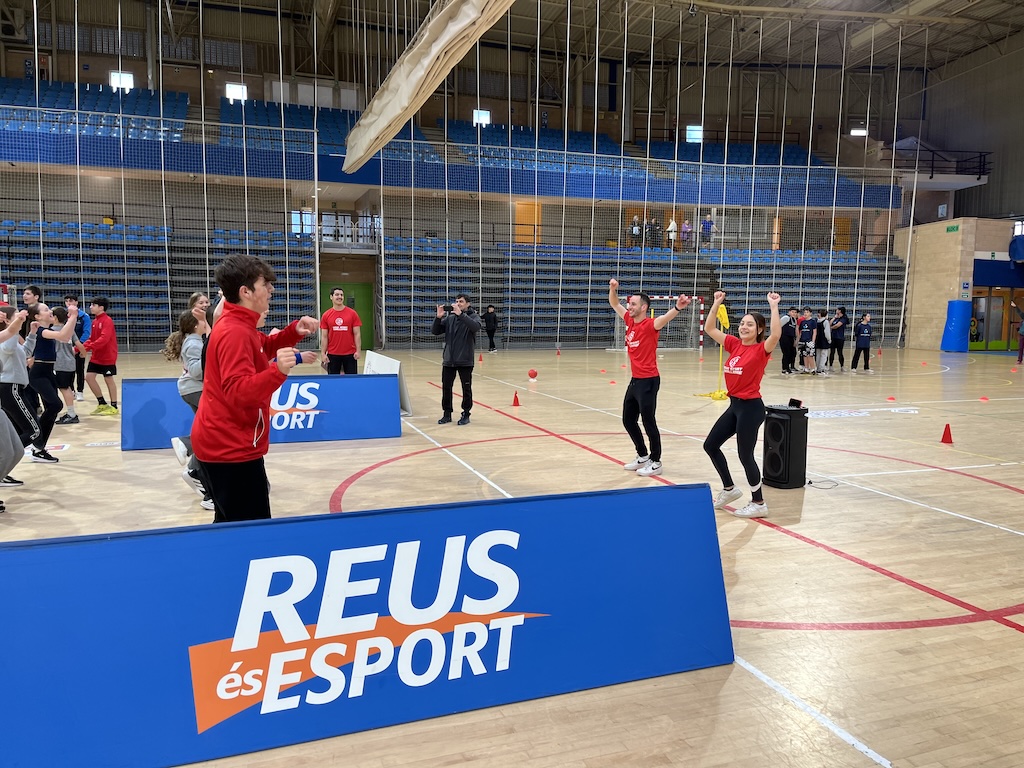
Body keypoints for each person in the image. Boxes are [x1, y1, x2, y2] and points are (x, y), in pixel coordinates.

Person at [190, 254, 319, 523]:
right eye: (265, 284)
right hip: (230, 449)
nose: (271, 290)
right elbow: (238, 392)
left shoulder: (239, 324)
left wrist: (294, 331)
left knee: (232, 524)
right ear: (245, 292)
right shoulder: (234, 331)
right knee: (251, 529)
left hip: (228, 444)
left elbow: (262, 346)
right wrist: (277, 371)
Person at [703, 290, 782, 519]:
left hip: (751, 408)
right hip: (735, 406)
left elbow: (776, 334)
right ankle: (729, 489)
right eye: (742, 323)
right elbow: (710, 328)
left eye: (749, 325)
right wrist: (716, 303)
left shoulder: (761, 349)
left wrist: (774, 306)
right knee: (711, 445)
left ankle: (758, 503)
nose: (743, 327)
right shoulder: (734, 344)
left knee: (745, 455)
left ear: (759, 329)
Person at [609, 279, 692, 478]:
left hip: (649, 380)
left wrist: (677, 308)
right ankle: (643, 455)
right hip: (635, 380)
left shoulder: (650, 325)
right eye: (629, 303)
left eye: (633, 304)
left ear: (643, 307)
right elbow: (614, 303)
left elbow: (664, 319)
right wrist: (613, 289)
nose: (629, 306)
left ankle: (656, 461)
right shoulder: (630, 321)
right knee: (628, 420)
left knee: (648, 422)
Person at [163, 308, 214, 511]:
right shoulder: (193, 343)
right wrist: (211, 355)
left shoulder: (195, 341)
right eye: (202, 320)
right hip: (195, 390)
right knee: (214, 429)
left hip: (194, 389)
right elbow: (196, 370)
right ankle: (186, 444)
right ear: (195, 325)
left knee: (210, 433)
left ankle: (194, 470)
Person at [24, 303, 77, 463]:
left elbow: (66, 335)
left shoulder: (49, 330)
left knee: (52, 410)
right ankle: (34, 436)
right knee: (55, 405)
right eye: (46, 310)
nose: (50, 311)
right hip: (38, 374)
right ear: (37, 317)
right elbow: (63, 337)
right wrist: (73, 316)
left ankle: (39, 449)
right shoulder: (41, 331)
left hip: (48, 372)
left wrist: (72, 318)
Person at [433, 294, 480, 425]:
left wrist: (461, 315)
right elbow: (435, 331)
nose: (458, 303)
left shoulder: (473, 317)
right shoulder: (450, 318)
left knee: (466, 389)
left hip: (465, 360)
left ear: (468, 304)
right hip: (449, 360)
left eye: (461, 301)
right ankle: (447, 413)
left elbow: (475, 327)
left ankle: (466, 413)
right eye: (457, 301)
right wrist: (438, 318)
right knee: (446, 388)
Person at [0, 306, 34, 485]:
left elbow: (24, 350)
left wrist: (30, 332)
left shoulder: (9, 337)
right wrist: (18, 320)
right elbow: (9, 338)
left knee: (17, 451)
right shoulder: (7, 342)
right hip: (9, 386)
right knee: (33, 431)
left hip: (12, 390)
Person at [84, 297, 119, 414]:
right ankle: (102, 403)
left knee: (108, 379)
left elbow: (104, 339)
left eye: (93, 305)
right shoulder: (95, 322)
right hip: (96, 356)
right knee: (89, 377)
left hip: (107, 356)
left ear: (101, 307)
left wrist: (88, 347)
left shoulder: (107, 320)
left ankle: (114, 406)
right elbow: (92, 338)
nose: (90, 307)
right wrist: (79, 348)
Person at [51, 306, 86, 424]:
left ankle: (71, 414)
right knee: (68, 388)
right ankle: (70, 412)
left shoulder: (51, 331)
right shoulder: (70, 330)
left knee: (64, 389)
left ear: (55, 318)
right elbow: (79, 344)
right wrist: (83, 354)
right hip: (71, 363)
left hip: (59, 364)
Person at [319, 287, 362, 374]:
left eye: (341, 295)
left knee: (351, 380)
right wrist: (323, 353)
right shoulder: (326, 315)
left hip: (350, 354)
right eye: (337, 295)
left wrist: (358, 350)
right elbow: (324, 336)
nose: (340, 297)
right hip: (333, 354)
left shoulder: (352, 313)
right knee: (333, 380)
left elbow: (357, 334)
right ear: (331, 297)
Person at [64, 294, 91, 401]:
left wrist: (78, 346)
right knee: (68, 370)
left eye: (71, 301)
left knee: (79, 369)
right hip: (66, 347)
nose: (68, 303)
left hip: (79, 347)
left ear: (76, 302)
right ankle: (72, 390)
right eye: (66, 301)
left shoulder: (84, 316)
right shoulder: (63, 316)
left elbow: (87, 332)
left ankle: (80, 391)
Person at [778, 306, 798, 375]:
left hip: (791, 338)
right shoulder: (786, 318)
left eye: (795, 312)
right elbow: (778, 326)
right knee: (786, 353)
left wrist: (795, 339)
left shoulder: (794, 320)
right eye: (792, 312)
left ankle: (789, 367)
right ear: (789, 312)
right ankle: (784, 369)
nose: (794, 313)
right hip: (784, 337)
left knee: (792, 353)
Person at [829, 306, 849, 373]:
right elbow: (830, 323)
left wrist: (830, 328)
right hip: (833, 337)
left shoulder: (844, 318)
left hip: (840, 338)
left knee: (840, 352)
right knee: (832, 352)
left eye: (837, 310)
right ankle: (831, 366)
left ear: (840, 311)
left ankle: (842, 366)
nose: (836, 310)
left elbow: (837, 325)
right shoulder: (836, 318)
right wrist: (834, 317)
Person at [798, 306, 817, 374]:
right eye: (804, 312)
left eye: (807, 312)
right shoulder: (802, 322)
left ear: (810, 313)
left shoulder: (813, 321)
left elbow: (814, 332)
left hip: (809, 340)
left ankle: (813, 368)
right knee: (804, 355)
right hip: (803, 340)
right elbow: (800, 332)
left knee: (810, 355)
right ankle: (806, 368)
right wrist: (799, 340)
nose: (805, 313)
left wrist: (813, 341)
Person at [815, 309, 831, 374]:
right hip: (824, 340)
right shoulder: (826, 321)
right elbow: (827, 332)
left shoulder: (817, 321)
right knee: (824, 355)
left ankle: (818, 368)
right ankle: (821, 369)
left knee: (818, 355)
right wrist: (829, 340)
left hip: (817, 340)